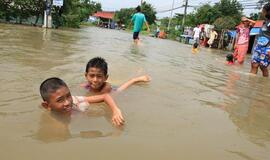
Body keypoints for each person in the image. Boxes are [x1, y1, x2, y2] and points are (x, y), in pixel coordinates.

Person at [40, 77, 124, 126]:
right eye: (60, 100)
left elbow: (105, 96)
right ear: (47, 106)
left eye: (68, 96)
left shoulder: (76, 100)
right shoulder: (50, 116)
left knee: (117, 91)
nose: (67, 102)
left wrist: (115, 110)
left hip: (84, 108)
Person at [81, 57, 151, 94]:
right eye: (92, 76)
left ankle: (135, 79)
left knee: (119, 90)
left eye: (99, 76)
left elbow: (100, 98)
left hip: (113, 90)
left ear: (106, 78)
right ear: (86, 75)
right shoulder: (86, 85)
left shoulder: (106, 88)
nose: (95, 80)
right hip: (103, 84)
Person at [250, 3, 270, 77]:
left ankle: (264, 86)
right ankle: (251, 84)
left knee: (263, 66)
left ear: (267, 11)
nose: (262, 11)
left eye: (263, 9)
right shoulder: (265, 22)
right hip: (258, 46)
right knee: (254, 64)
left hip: (267, 48)